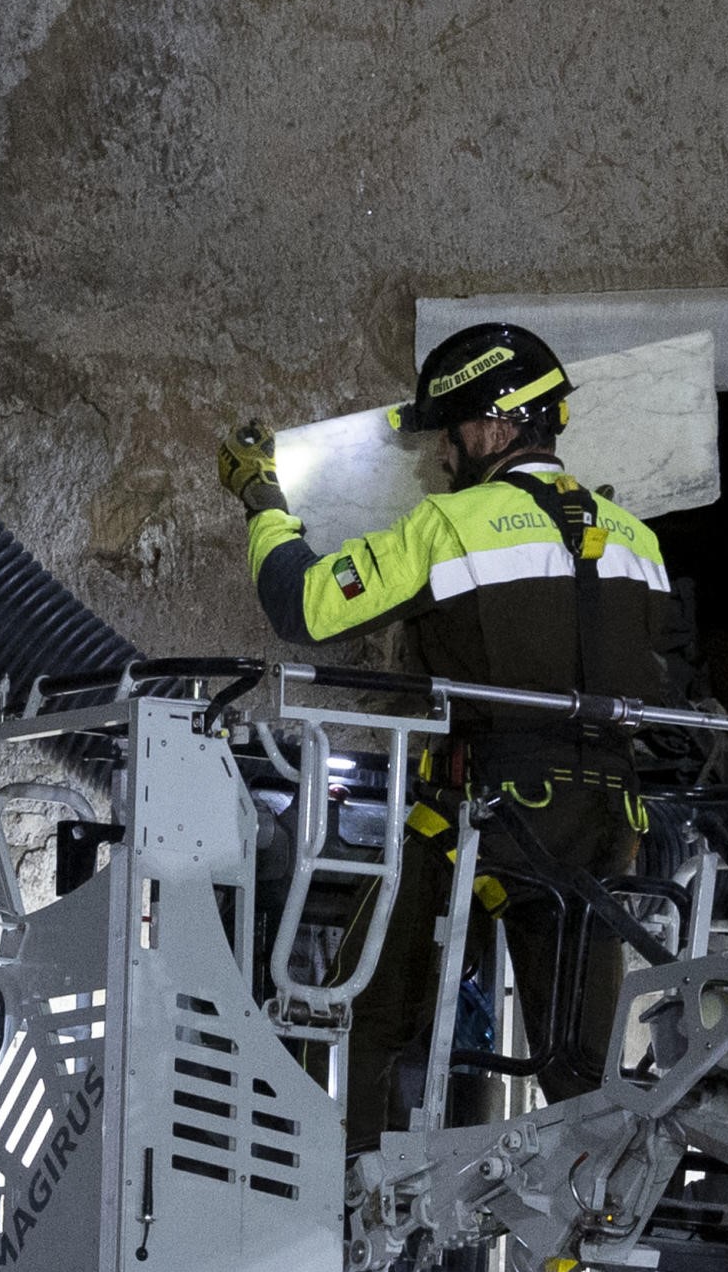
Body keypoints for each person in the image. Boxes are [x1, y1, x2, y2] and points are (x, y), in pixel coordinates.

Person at [217, 322, 673, 1147]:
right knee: (583, 1072)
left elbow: (306, 606)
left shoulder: (453, 525)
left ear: (496, 427)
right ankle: (597, 1226)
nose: (443, 458)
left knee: (369, 1014)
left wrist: (263, 501)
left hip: (482, 820)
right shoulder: (640, 542)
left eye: (454, 433)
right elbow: (660, 679)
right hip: (607, 827)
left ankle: (353, 1204)